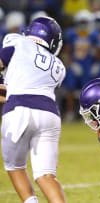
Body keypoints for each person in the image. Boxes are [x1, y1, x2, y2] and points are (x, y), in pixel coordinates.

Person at [1, 17, 66, 203]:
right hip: (49, 114)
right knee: (46, 175)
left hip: (18, 110)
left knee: (15, 166)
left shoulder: (16, 41)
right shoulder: (59, 65)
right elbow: (28, 88)